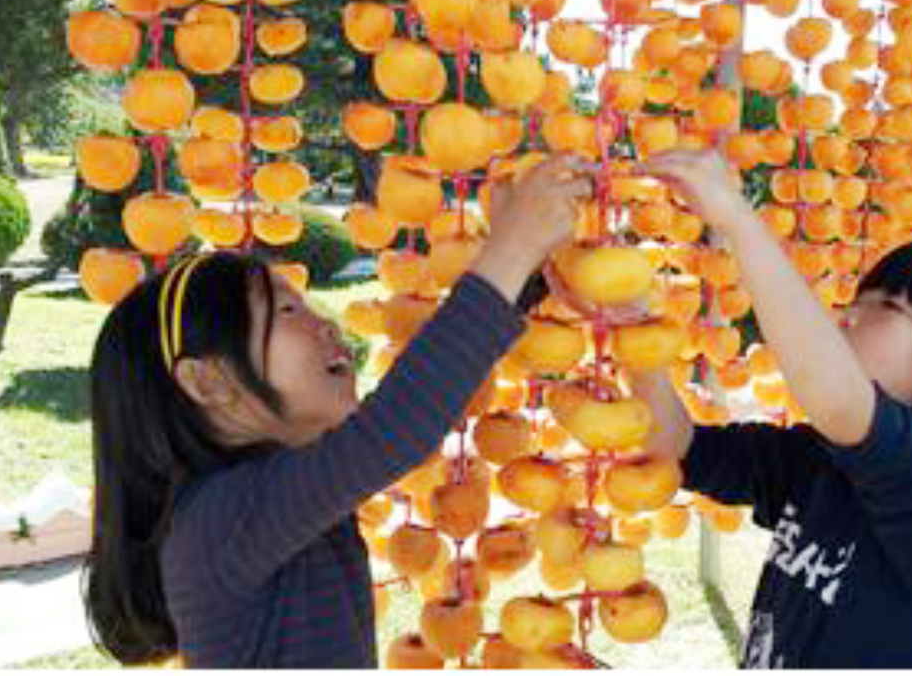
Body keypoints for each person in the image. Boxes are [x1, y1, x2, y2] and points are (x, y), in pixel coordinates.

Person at [82, 158, 590, 668]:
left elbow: (408, 408)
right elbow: (393, 429)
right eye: (287, 310)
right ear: (208, 381)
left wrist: (526, 275)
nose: (324, 324)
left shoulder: (266, 503)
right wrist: (511, 249)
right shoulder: (217, 522)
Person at [633, 147, 912, 668]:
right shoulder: (822, 458)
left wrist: (738, 220)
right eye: (855, 301)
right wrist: (630, 322)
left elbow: (837, 398)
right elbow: (675, 447)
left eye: (886, 306)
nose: (845, 318)